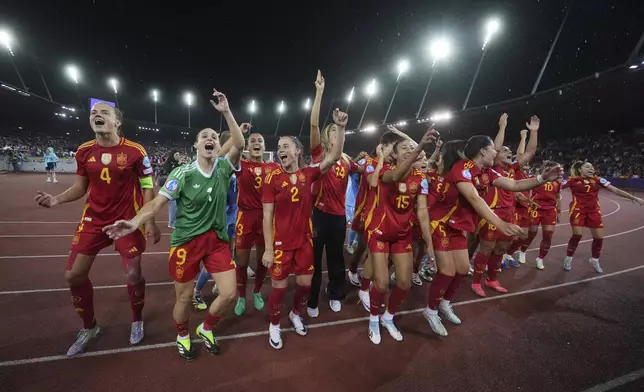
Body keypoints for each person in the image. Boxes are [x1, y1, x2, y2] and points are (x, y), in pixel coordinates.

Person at [104, 89, 245, 360]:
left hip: (215, 242)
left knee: (229, 294)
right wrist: (135, 222)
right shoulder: (182, 173)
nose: (210, 139)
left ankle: (206, 328)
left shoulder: (225, 169)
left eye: (214, 137)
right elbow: (157, 203)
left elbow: (238, 141)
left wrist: (226, 112)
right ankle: (182, 334)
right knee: (183, 298)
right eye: (204, 136)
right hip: (186, 242)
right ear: (196, 145)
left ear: (218, 146)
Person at [34, 102, 161, 356]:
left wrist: (148, 220)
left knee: (133, 275)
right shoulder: (83, 151)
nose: (97, 115)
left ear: (117, 122)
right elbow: (80, 188)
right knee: (73, 276)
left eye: (104, 112)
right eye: (93, 112)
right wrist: (56, 199)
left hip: (127, 221)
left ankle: (136, 319)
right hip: (93, 220)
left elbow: (148, 186)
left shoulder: (136, 151)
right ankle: (89, 327)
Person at [423, 136, 562, 336]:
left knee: (462, 270)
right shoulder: (461, 169)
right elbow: (474, 198)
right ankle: (430, 311)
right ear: (482, 151)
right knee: (446, 272)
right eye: (492, 150)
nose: (496, 153)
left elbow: (513, 185)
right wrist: (500, 223)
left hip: (458, 226)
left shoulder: (486, 172)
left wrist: (542, 179)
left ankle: (444, 304)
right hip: (441, 223)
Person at [261, 108, 347, 350]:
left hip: (305, 242)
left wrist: (340, 128)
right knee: (279, 287)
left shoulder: (308, 173)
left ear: (298, 151)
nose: (281, 150)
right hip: (280, 244)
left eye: (286, 146)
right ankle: (275, 325)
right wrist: (268, 248)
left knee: (305, 285)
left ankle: (295, 313)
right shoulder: (272, 178)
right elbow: (267, 215)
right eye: (279, 146)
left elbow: (334, 156)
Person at [365, 131, 436, 344]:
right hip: (379, 232)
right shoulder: (386, 171)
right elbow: (396, 177)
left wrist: (430, 245)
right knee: (382, 284)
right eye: (403, 148)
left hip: (402, 235)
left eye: (410, 147)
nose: (408, 150)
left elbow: (422, 212)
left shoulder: (421, 179)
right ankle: (374, 319)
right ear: (394, 156)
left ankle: (388, 317)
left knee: (404, 283)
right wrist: (419, 145)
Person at [307, 71, 360, 316]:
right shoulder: (319, 156)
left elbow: (367, 174)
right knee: (315, 257)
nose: (336, 135)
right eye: (333, 132)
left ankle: (336, 292)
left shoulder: (348, 161)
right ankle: (312, 296)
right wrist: (319, 93)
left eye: (339, 132)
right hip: (319, 215)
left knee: (337, 258)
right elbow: (314, 124)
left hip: (339, 218)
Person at [471, 115, 539, 297]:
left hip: (510, 214)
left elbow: (530, 152)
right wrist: (502, 127)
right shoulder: (490, 169)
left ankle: (491, 279)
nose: (508, 152)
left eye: (510, 151)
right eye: (504, 151)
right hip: (493, 214)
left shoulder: (512, 170)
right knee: (486, 248)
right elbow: (496, 148)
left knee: (501, 248)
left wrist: (534, 132)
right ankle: (476, 282)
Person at [228, 128, 277, 316]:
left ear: (265, 147)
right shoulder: (241, 164)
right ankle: (241, 296)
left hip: (266, 218)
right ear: (247, 147)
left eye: (260, 141)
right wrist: (239, 132)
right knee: (241, 262)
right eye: (253, 141)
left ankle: (256, 292)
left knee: (264, 259)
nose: (257, 143)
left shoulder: (273, 168)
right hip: (245, 218)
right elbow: (232, 151)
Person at [562, 161, 644, 273]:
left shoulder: (598, 180)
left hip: (594, 212)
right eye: (587, 167)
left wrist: (633, 198)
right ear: (580, 169)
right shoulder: (572, 180)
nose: (591, 169)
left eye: (592, 167)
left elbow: (615, 190)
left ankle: (594, 260)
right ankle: (568, 258)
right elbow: (556, 187)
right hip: (578, 211)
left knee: (599, 238)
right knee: (577, 235)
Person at [520, 160, 563, 270]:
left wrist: (559, 211)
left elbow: (557, 196)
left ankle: (540, 258)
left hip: (550, 211)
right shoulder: (537, 178)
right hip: (536, 208)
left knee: (548, 235)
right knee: (532, 233)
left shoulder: (558, 182)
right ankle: (522, 251)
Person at [158, 150, 182, 229]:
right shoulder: (168, 164)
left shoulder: (178, 164)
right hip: (170, 187)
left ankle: (176, 221)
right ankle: (171, 223)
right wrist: (177, 165)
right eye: (176, 154)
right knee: (173, 205)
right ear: (173, 155)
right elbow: (171, 173)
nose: (178, 156)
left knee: (178, 205)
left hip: (179, 186)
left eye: (179, 154)